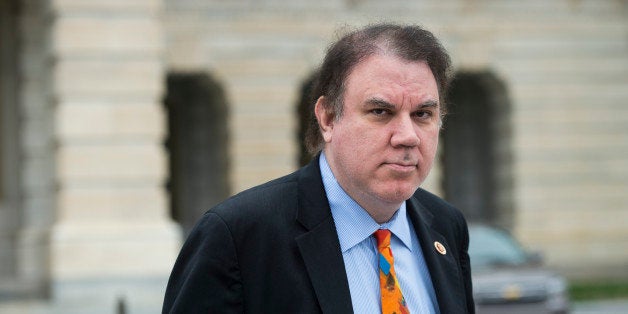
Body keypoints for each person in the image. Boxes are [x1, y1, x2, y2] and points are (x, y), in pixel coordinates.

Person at [162, 23, 475, 314]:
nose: (407, 136)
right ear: (327, 118)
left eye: (422, 114)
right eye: (380, 111)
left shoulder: (447, 227)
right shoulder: (238, 236)